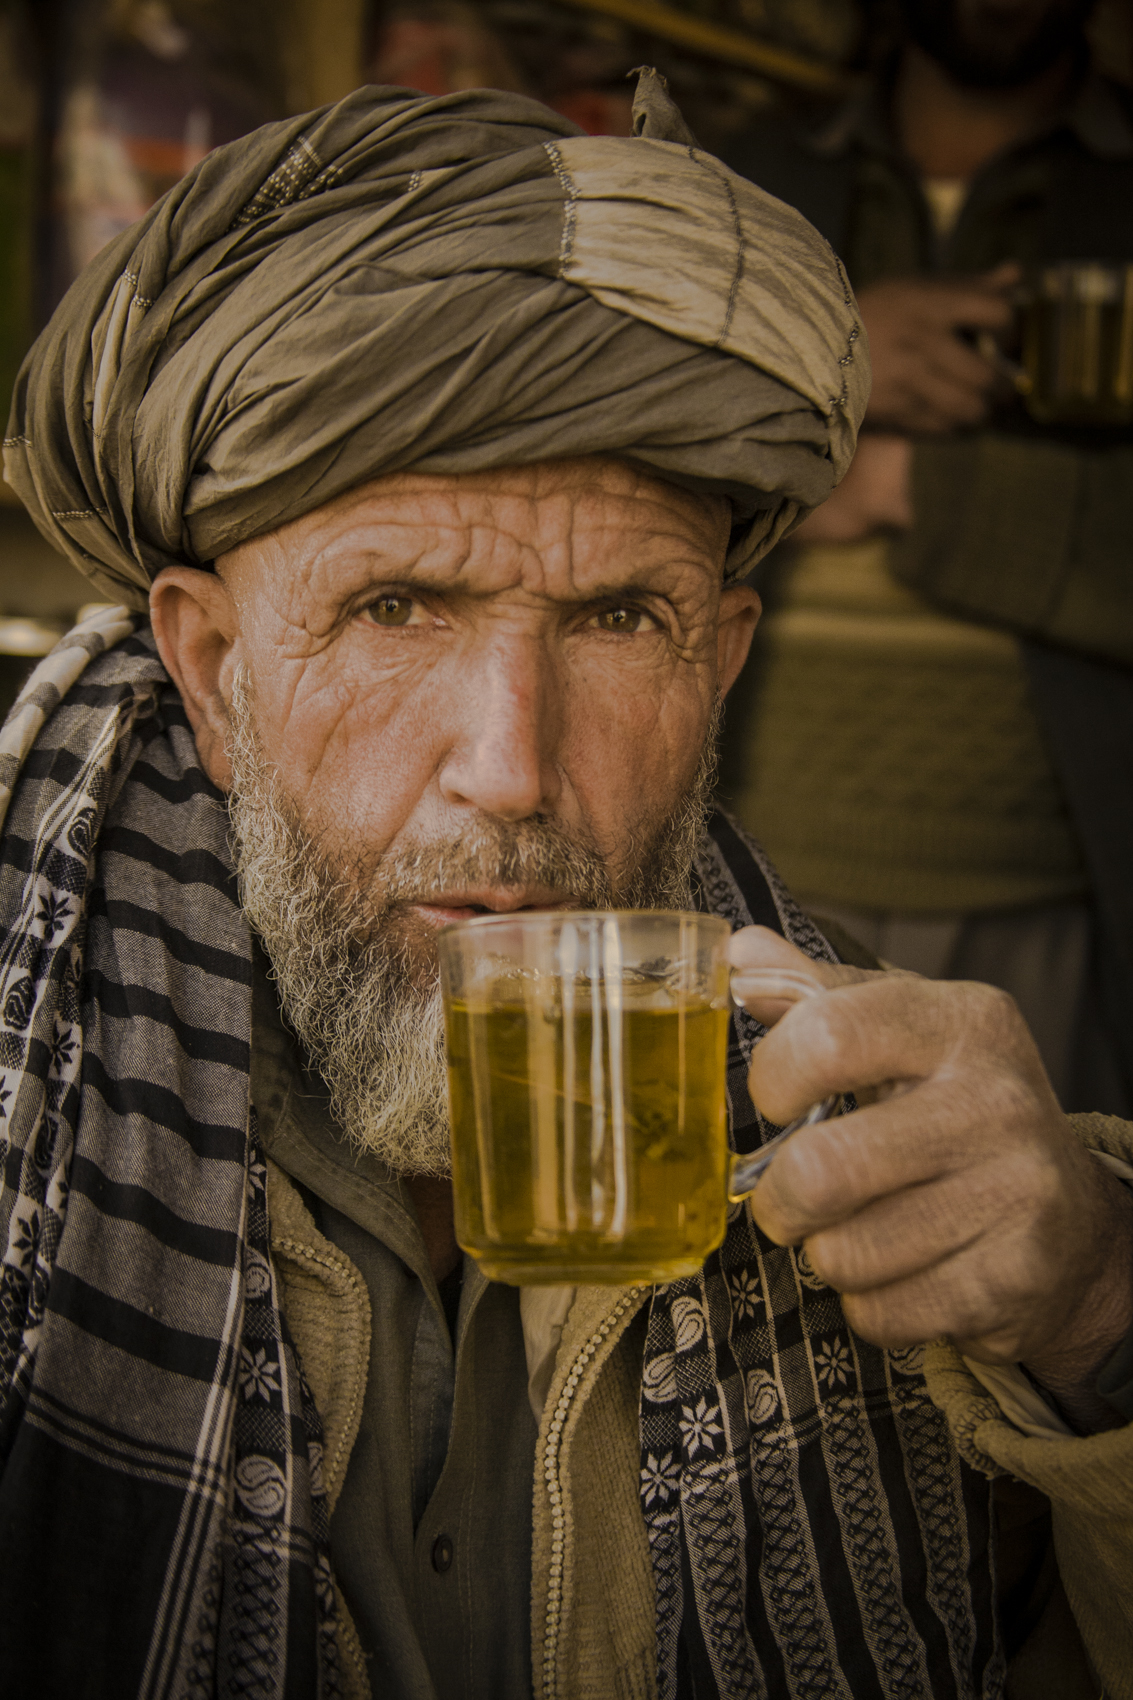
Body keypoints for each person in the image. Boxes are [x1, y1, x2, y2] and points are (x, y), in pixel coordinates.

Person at [0, 72, 1130, 1700]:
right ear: (210, 665)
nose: (512, 766)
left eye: (616, 619)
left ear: (720, 664)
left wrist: (1097, 1307)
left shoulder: (855, 1118)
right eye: (394, 608)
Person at [719, 0, 1133, 1118]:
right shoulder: (724, 183)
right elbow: (583, 461)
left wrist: (900, 483)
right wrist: (834, 344)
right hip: (729, 881)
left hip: (1059, 908)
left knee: (1045, 1243)